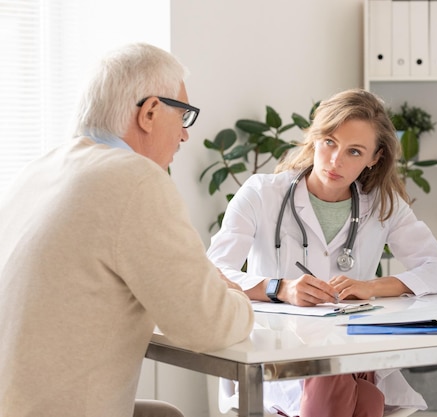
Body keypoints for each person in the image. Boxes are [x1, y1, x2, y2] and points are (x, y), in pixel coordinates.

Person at [0, 43, 255, 417]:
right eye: (183, 116)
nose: (185, 136)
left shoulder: (40, 169)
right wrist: (236, 294)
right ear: (150, 112)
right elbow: (208, 326)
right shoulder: (133, 179)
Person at [207, 88, 437, 417]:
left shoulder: (383, 206)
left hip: (350, 348)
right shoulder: (261, 194)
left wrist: (372, 287)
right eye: (329, 142)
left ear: (375, 158)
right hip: (281, 353)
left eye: (354, 151)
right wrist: (279, 288)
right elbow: (211, 274)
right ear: (314, 138)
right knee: (361, 395)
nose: (335, 160)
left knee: (346, 377)